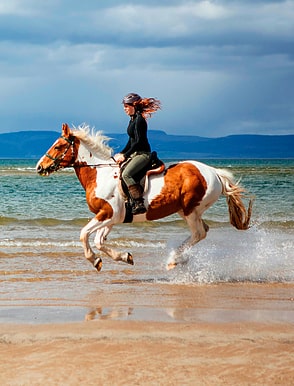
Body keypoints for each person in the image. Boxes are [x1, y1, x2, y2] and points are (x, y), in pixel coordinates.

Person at [114, 92, 161, 215]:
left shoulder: (140, 120)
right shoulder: (132, 120)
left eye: (126, 106)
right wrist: (122, 153)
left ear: (134, 106)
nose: (125, 109)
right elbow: (131, 141)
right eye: (124, 107)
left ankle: (138, 202)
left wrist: (125, 155)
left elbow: (139, 142)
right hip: (135, 153)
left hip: (143, 154)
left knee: (126, 175)